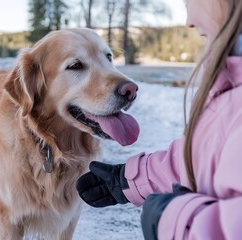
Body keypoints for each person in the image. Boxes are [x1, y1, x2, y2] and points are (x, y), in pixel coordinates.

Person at [76, 0, 242, 239]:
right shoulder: (232, 81)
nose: (188, 21)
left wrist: (177, 221)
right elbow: (201, 158)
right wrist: (130, 180)